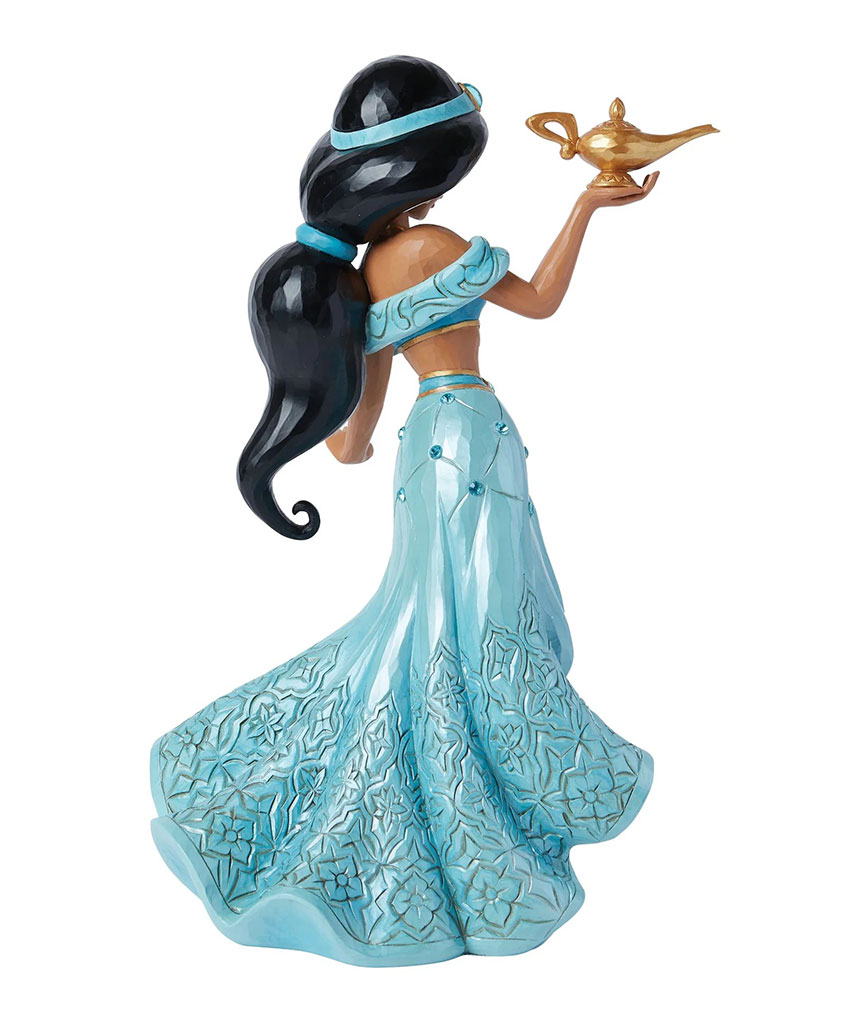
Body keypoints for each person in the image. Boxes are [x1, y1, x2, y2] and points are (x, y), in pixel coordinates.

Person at [151, 55, 656, 966]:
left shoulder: (361, 283)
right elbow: (540, 301)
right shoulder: (436, 248)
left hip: (418, 454)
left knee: (426, 623)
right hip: (472, 434)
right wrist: (587, 204)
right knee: (479, 628)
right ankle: (500, 812)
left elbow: (352, 442)